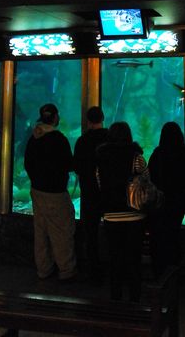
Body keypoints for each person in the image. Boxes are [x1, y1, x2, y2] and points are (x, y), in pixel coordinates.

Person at [24, 103, 77, 281]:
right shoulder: (58, 139)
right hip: (55, 193)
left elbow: (27, 164)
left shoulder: (33, 138)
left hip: (37, 191)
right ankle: (66, 271)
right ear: (55, 118)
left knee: (40, 230)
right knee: (61, 231)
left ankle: (43, 269)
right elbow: (69, 164)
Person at [96, 121, 147, 302]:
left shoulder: (101, 156)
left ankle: (115, 297)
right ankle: (135, 298)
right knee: (133, 259)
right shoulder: (136, 157)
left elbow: (100, 183)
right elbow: (145, 182)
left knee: (115, 258)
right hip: (134, 215)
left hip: (111, 215)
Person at [148, 122, 185, 277]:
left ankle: (160, 270)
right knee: (174, 232)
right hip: (181, 200)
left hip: (162, 200)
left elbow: (152, 176)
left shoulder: (158, 152)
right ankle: (174, 270)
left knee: (160, 234)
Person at [73, 106, 108, 280]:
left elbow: (77, 167)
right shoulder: (110, 139)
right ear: (103, 118)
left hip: (89, 194)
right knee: (113, 232)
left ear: (87, 121)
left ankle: (93, 272)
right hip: (110, 195)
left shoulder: (82, 141)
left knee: (91, 233)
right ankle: (114, 270)